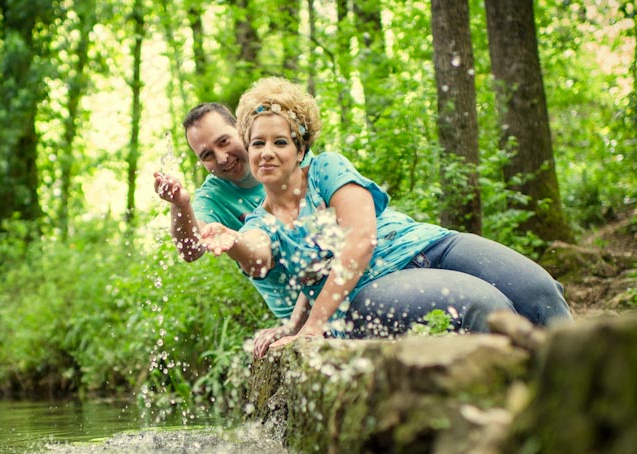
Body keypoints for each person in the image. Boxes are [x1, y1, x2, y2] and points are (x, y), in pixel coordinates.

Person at [201, 77, 572, 357]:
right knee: (484, 306)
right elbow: (256, 253)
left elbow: (360, 240)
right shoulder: (259, 223)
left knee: (540, 292)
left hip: (426, 244)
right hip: (367, 290)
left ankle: (586, 394)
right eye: (257, 143)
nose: (266, 152)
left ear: (300, 150)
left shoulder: (326, 170)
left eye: (279, 142)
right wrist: (232, 243)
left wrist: (309, 324)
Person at [153, 102, 313, 344]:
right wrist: (180, 203)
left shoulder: (288, 157)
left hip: (331, 296)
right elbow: (190, 250)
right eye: (207, 155)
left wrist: (296, 327)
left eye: (224, 141)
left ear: (242, 129)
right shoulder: (213, 197)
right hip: (293, 316)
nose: (222, 157)